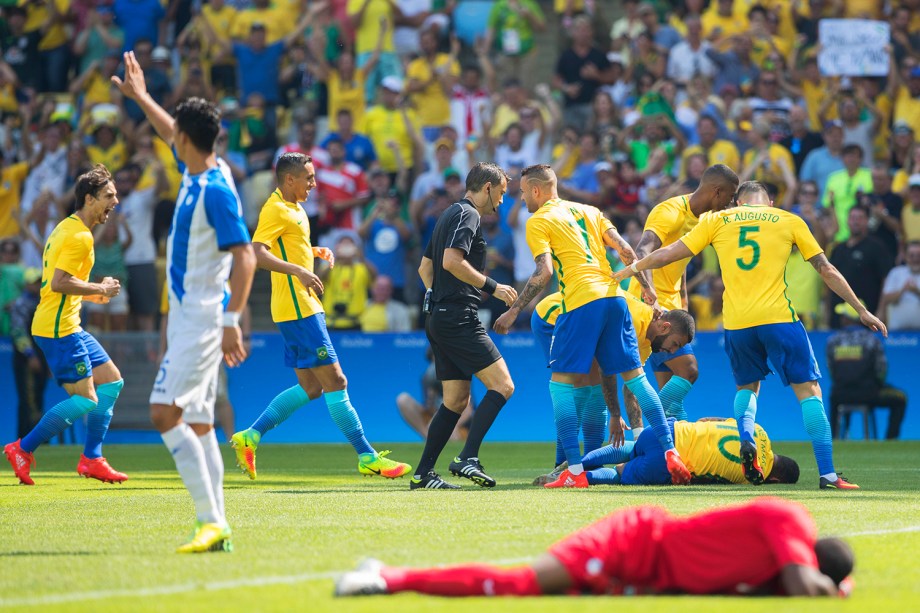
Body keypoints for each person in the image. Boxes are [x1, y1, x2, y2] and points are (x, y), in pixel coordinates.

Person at [613, 181, 888, 490]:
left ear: (738, 202)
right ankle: (828, 475)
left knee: (747, 389)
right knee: (809, 393)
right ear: (769, 201)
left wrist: (632, 268)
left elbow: (670, 252)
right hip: (779, 318)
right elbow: (826, 270)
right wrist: (861, 309)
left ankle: (746, 440)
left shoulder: (717, 220)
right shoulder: (789, 219)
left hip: (737, 324)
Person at [114, 52, 257, 553]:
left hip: (200, 318)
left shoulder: (215, 190)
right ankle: (217, 524)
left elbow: (245, 258)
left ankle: (209, 520)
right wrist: (142, 97)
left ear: (185, 141)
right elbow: (169, 128)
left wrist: (231, 321)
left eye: (176, 131)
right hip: (187, 318)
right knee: (199, 423)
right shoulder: (197, 168)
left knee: (160, 413)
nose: (169, 134)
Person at [492, 165, 691, 489]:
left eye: (524, 192)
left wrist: (514, 311)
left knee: (561, 385)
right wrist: (645, 286)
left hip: (580, 301)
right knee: (637, 380)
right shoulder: (590, 211)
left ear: (537, 190)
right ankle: (670, 452)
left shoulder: (539, 220)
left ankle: (572, 470)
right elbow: (626, 250)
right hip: (614, 298)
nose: (523, 198)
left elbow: (543, 273)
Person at [230, 153, 412, 482]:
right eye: (309, 178)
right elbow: (256, 253)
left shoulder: (295, 208)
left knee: (312, 387)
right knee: (337, 382)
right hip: (300, 309)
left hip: (295, 309)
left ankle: (250, 436)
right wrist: (299, 270)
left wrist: (312, 253)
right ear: (289, 180)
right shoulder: (275, 208)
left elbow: (286, 245)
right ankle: (367, 456)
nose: (314, 184)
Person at [336, 497, 855, 598]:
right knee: (519, 584)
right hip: (634, 540)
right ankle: (385, 575)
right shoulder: (790, 521)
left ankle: (387, 576)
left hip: (642, 572)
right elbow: (803, 586)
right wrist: (840, 590)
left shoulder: (769, 570)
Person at [3, 166, 126, 486]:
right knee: (87, 400)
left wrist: (96, 295)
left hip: (65, 322)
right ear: (89, 198)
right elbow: (59, 283)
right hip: (59, 330)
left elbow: (63, 283)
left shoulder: (66, 228)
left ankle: (92, 458)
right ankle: (22, 448)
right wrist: (100, 290)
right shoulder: (80, 236)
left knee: (112, 383)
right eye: (109, 195)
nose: (116, 200)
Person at [412, 162, 517, 489]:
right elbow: (450, 262)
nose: (502, 201)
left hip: (440, 317)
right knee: (503, 386)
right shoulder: (468, 214)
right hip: (457, 318)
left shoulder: (448, 213)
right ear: (487, 187)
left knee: (456, 401)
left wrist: (438, 297)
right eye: (501, 192)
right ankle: (467, 457)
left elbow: (424, 268)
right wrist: (492, 287)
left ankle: (423, 474)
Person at [530, 291, 696, 486]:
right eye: (675, 344)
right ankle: (562, 467)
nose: (673, 351)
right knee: (579, 386)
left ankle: (582, 469)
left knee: (594, 392)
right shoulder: (632, 320)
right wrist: (615, 415)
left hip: (587, 317)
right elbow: (606, 370)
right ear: (664, 326)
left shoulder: (646, 342)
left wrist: (636, 434)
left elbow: (629, 387)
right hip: (553, 317)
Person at [626, 165, 739, 422]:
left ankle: (665, 447)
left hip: (672, 307)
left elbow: (682, 261)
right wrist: (649, 290)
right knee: (688, 371)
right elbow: (642, 251)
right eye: (729, 196)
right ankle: (648, 424)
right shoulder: (670, 212)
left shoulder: (702, 219)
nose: (729, 202)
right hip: (651, 309)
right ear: (716, 191)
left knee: (672, 402)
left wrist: (684, 302)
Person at [578, 417, 800, 486]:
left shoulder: (758, 430)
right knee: (619, 473)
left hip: (669, 430)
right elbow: (702, 479)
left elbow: (708, 420)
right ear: (778, 479)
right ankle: (577, 479)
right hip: (669, 462)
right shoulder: (750, 478)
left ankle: (575, 466)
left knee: (633, 447)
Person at [827, 302, 907, 440]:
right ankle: (890, 440)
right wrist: (875, 385)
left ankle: (835, 439)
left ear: (848, 319)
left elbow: (831, 370)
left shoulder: (833, 341)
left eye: (843, 316)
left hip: (840, 394)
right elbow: (881, 369)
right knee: (901, 398)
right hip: (869, 393)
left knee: (835, 396)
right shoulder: (872, 340)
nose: (841, 319)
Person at [10, 268, 49, 439]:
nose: (38, 285)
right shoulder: (21, 304)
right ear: (26, 284)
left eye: (39, 282)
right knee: (28, 399)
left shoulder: (42, 302)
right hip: (26, 359)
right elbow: (18, 332)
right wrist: (30, 355)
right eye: (34, 282)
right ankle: (26, 439)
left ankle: (35, 439)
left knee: (38, 395)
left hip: (40, 355)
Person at [879, 240, 920, 330]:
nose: (915, 259)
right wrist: (902, 291)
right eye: (911, 255)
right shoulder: (896, 273)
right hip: (897, 334)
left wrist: (916, 291)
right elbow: (886, 298)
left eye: (918, 255)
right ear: (905, 256)